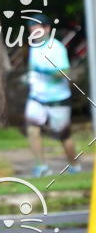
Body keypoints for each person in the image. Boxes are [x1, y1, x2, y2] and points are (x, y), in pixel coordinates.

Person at [25, 13, 80, 177]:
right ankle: (42, 167)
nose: (34, 33)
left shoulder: (57, 48)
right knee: (32, 130)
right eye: (31, 30)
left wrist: (46, 71)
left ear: (47, 29)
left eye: (37, 29)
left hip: (58, 99)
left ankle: (75, 165)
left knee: (63, 136)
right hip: (36, 97)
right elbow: (32, 69)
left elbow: (65, 72)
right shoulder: (33, 48)